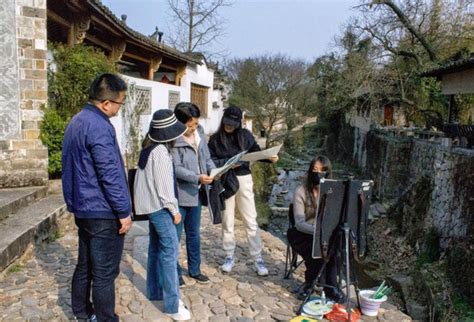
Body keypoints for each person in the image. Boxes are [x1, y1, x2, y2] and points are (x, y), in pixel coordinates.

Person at [62, 73, 132, 321]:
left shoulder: (76, 121)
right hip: (102, 210)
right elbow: (109, 174)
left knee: (85, 265)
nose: (119, 109)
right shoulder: (100, 126)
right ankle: (104, 318)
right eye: (120, 104)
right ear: (106, 103)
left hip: (83, 208)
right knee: (103, 272)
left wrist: (72, 203)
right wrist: (123, 211)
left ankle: (82, 312)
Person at [133, 109, 191, 321]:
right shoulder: (160, 152)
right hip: (161, 208)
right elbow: (164, 188)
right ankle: (172, 305)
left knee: (155, 249)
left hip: (151, 207)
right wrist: (174, 211)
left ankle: (155, 292)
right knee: (169, 253)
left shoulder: (148, 148)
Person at [207, 105, 278, 276]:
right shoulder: (215, 139)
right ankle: (229, 255)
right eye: (227, 122)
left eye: (233, 123)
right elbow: (210, 161)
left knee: (250, 219)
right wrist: (227, 162)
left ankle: (257, 257)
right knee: (227, 219)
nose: (229, 126)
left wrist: (270, 158)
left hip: (244, 178)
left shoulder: (245, 136)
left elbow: (256, 153)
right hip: (225, 180)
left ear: (239, 122)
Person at [286, 155, 345, 303]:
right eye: (315, 170)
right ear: (310, 171)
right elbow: (299, 223)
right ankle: (311, 283)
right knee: (317, 247)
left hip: (325, 233)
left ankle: (331, 285)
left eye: (322, 170)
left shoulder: (332, 191)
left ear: (328, 172)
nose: (318, 173)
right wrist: (319, 231)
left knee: (335, 246)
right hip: (302, 232)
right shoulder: (301, 191)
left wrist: (326, 232)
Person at [171, 102, 216, 286]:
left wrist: (214, 170)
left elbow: (206, 158)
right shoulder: (174, 139)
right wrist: (197, 178)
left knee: (194, 234)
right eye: (190, 125)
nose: (194, 128)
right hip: (180, 194)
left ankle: (195, 269)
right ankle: (174, 272)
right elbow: (176, 168)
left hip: (197, 193)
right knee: (175, 235)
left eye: (196, 124)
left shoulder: (200, 133)